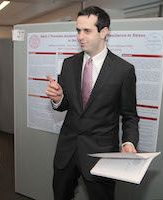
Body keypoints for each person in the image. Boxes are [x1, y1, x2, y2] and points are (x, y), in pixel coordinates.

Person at [45, 6, 139, 200]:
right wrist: (58, 99)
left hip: (100, 154)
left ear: (104, 32)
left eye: (87, 31)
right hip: (67, 151)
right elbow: (67, 105)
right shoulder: (69, 64)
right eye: (78, 30)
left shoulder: (123, 70)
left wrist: (128, 142)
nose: (80, 36)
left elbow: (130, 116)